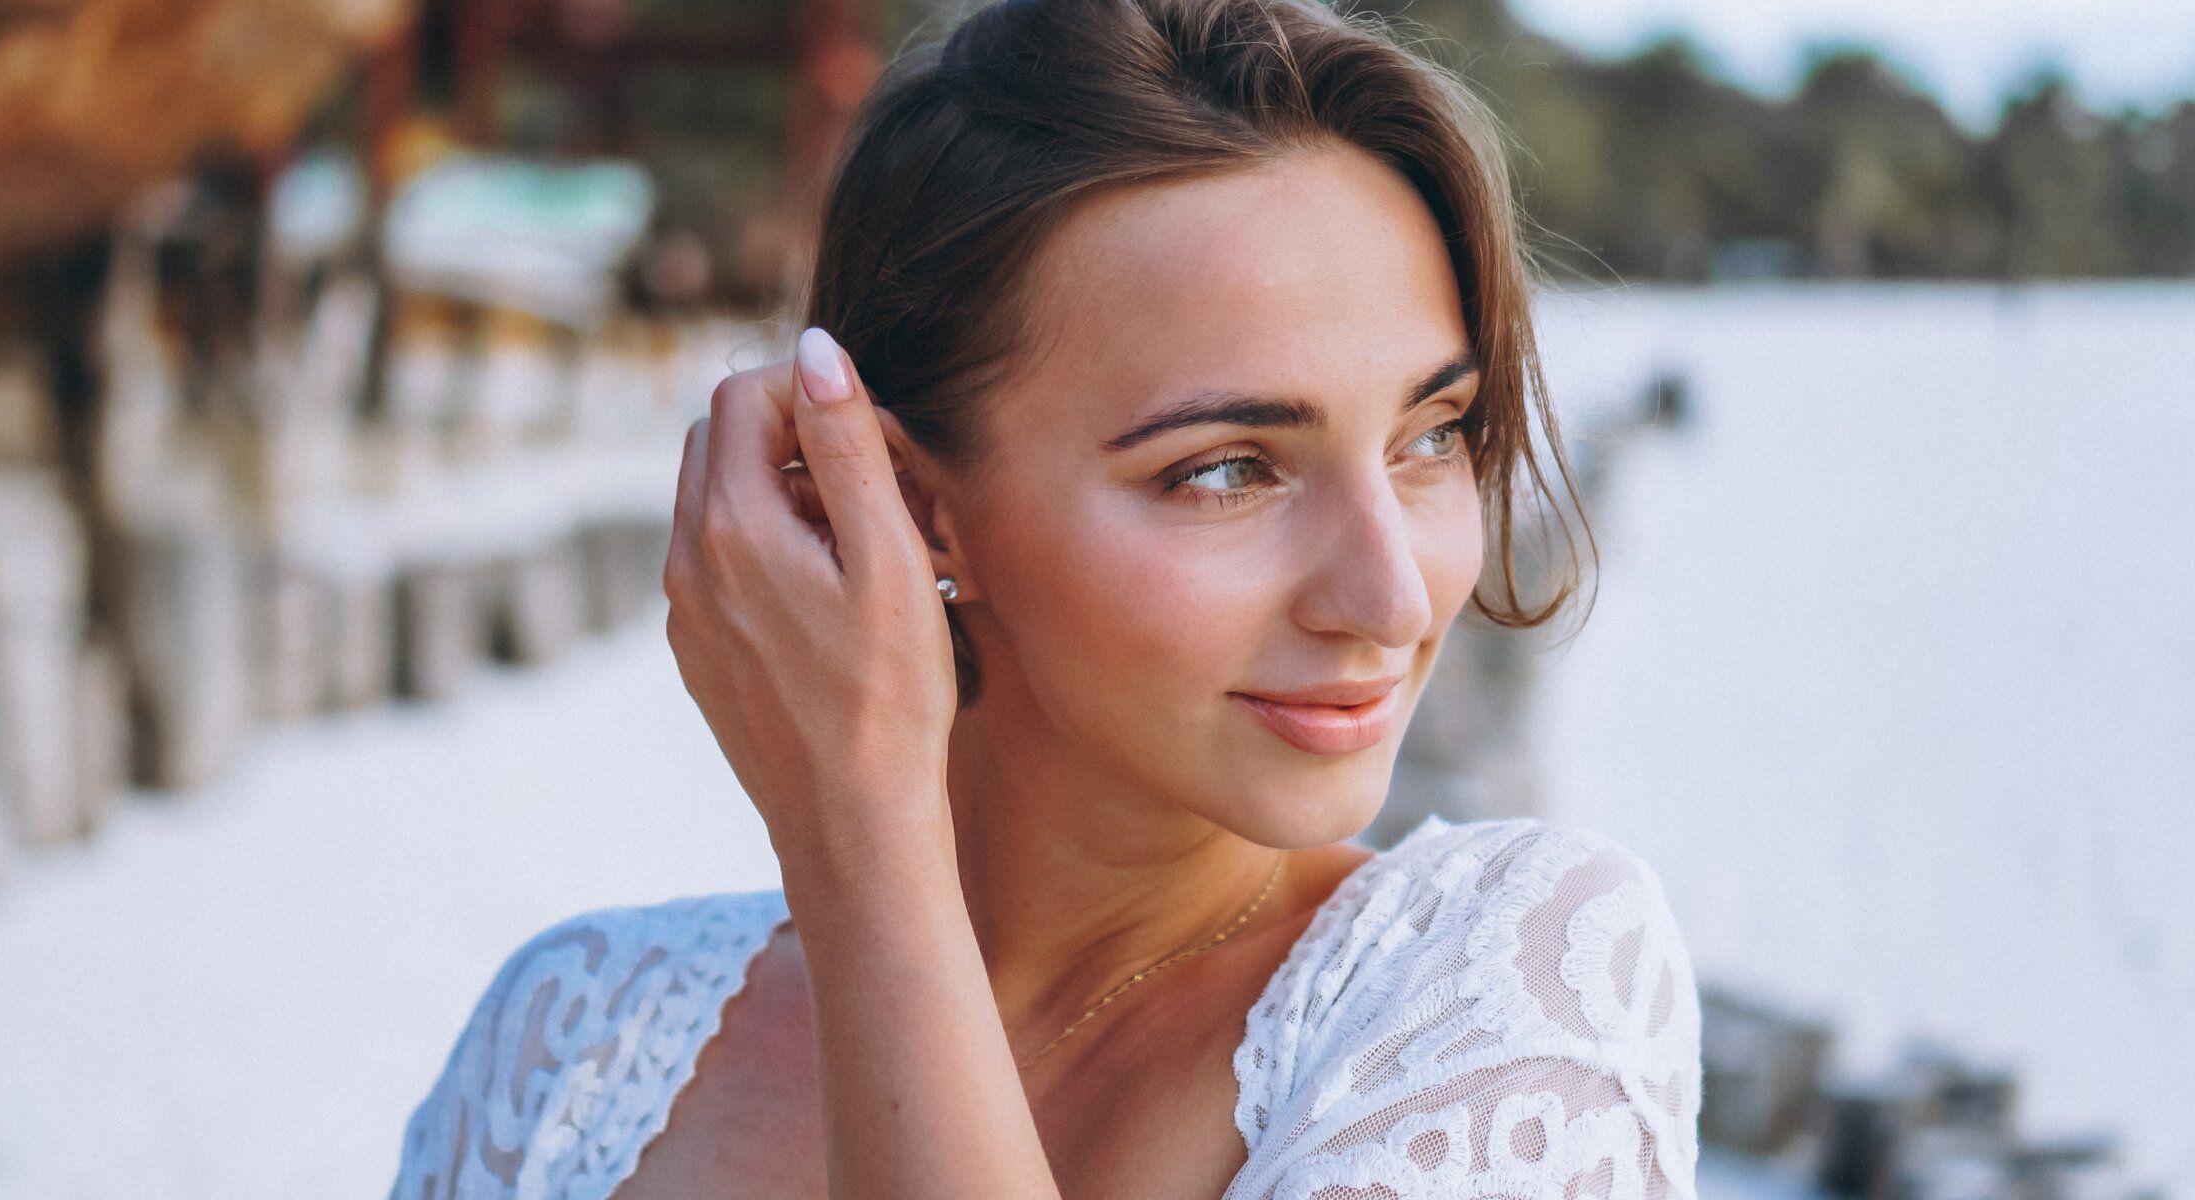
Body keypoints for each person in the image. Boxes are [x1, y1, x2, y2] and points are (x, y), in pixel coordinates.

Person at [385, 0, 1702, 1196]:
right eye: (1228, 470)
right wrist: (860, 843)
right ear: (905, 504)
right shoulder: (572, 1046)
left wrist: (861, 840)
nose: (1395, 595)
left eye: (1432, 435)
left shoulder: (1511, 989)